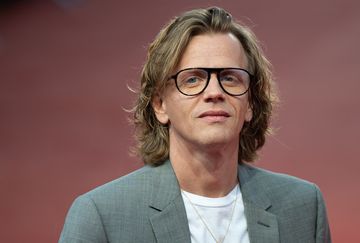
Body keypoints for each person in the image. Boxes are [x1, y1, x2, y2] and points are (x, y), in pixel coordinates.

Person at [59, 6, 331, 243]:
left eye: (230, 78)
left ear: (250, 103)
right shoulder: (102, 216)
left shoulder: (302, 207)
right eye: (192, 79)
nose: (214, 91)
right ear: (160, 105)